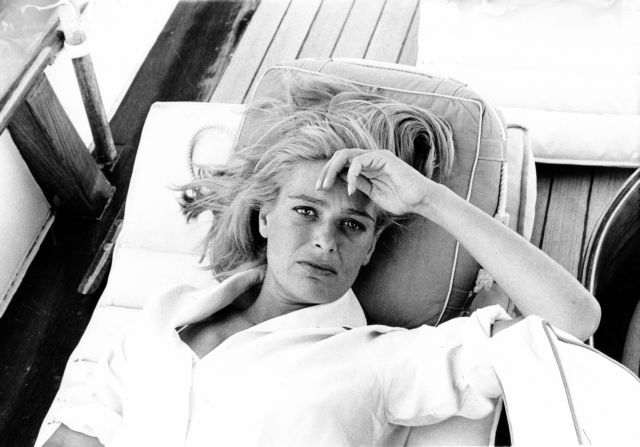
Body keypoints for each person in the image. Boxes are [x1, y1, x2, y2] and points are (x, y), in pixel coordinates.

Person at [43, 76, 600, 447]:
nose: (325, 240)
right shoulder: (163, 316)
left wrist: (430, 199)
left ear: (370, 248)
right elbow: (76, 437)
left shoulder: (380, 362)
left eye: (352, 225)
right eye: (306, 211)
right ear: (264, 217)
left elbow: (573, 320)